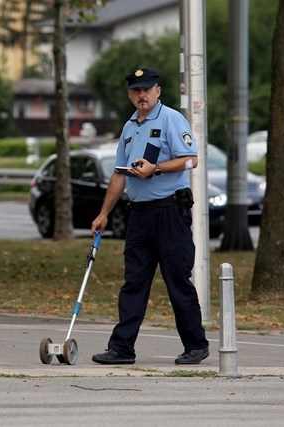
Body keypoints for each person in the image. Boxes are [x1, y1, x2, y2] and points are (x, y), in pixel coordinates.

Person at [90, 67, 209, 365]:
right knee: (134, 282)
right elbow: (119, 175)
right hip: (139, 215)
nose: (142, 95)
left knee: (176, 280)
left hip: (170, 211)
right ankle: (121, 348)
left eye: (147, 89)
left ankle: (196, 344)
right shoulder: (130, 127)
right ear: (130, 94)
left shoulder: (171, 118)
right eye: (135, 90)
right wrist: (104, 213)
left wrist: (156, 168)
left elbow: (190, 160)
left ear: (158, 91)